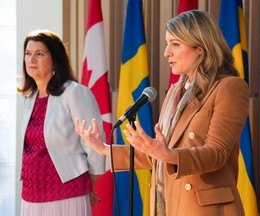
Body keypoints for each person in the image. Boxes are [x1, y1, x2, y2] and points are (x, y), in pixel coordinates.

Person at [75, 10, 248, 216]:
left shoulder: (229, 87)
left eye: (175, 44)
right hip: (168, 205)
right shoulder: (176, 91)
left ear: (200, 48)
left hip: (205, 210)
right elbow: (159, 157)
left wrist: (169, 154)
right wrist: (104, 149)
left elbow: (217, 153)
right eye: (167, 44)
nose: (167, 52)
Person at [17, 29, 106, 216]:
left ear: (55, 60)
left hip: (67, 193)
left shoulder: (74, 93)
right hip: (31, 193)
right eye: (28, 53)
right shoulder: (30, 97)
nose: (31, 59)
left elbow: (94, 144)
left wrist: (88, 183)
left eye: (39, 54)